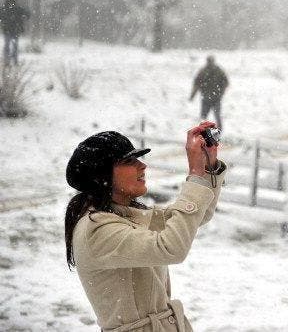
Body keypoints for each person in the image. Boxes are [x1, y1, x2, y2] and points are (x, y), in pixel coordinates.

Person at [64, 122, 226, 332]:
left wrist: (206, 169)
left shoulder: (124, 215)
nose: (142, 166)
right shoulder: (96, 229)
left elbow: (195, 216)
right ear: (101, 174)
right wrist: (194, 176)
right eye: (129, 161)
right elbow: (171, 247)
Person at [189, 55, 229, 130]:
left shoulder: (213, 71)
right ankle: (208, 130)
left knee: (208, 116)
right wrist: (221, 92)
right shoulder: (213, 70)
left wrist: (221, 92)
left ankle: (215, 130)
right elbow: (197, 83)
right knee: (208, 116)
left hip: (210, 97)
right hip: (210, 97)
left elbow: (225, 82)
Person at [0, 0, 30, 67]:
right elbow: (27, 14)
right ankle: (13, 61)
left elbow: (27, 14)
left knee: (9, 46)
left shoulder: (4, 9)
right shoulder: (18, 9)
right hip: (15, 30)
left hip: (8, 30)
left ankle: (8, 61)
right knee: (14, 46)